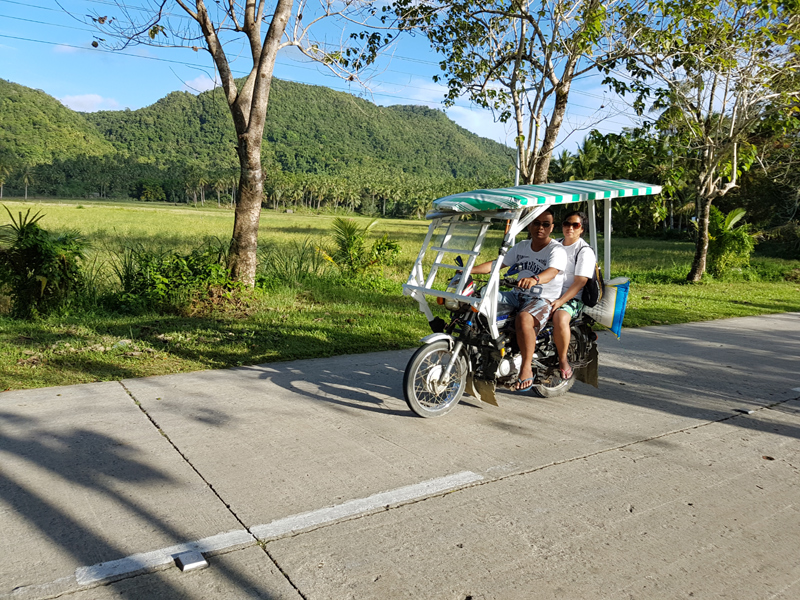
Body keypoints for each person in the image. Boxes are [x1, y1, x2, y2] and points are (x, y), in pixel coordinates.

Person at [470, 208, 566, 392]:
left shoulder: (556, 250)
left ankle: (526, 367)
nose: (540, 228)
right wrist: (469, 270)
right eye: (536, 223)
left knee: (524, 319)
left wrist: (535, 279)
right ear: (530, 225)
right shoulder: (522, 246)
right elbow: (497, 264)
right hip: (517, 294)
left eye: (546, 224)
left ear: (551, 227)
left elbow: (552, 272)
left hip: (542, 298)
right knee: (480, 299)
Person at [550, 210, 597, 380]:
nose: (570, 228)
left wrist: (560, 301)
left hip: (572, 297)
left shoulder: (584, 251)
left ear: (581, 229)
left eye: (575, 225)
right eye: (566, 223)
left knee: (560, 317)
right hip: (549, 292)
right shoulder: (554, 244)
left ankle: (563, 361)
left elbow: (580, 282)